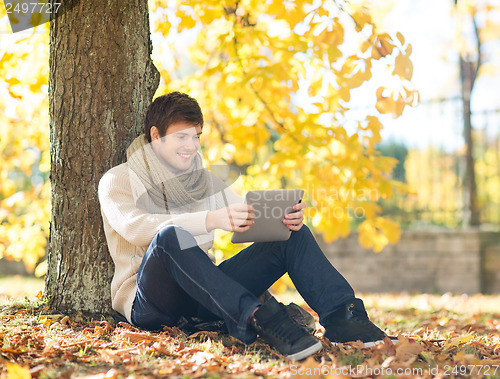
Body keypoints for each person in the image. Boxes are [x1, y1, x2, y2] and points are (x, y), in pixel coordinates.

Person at [98, 91, 393, 361]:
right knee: (170, 237)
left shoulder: (204, 182)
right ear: (155, 135)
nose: (192, 146)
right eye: (182, 137)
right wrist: (211, 219)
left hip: (205, 296)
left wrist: (283, 218)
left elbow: (246, 215)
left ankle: (344, 318)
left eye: (196, 137)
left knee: (290, 234)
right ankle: (260, 319)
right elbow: (135, 227)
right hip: (153, 303)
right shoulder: (118, 179)